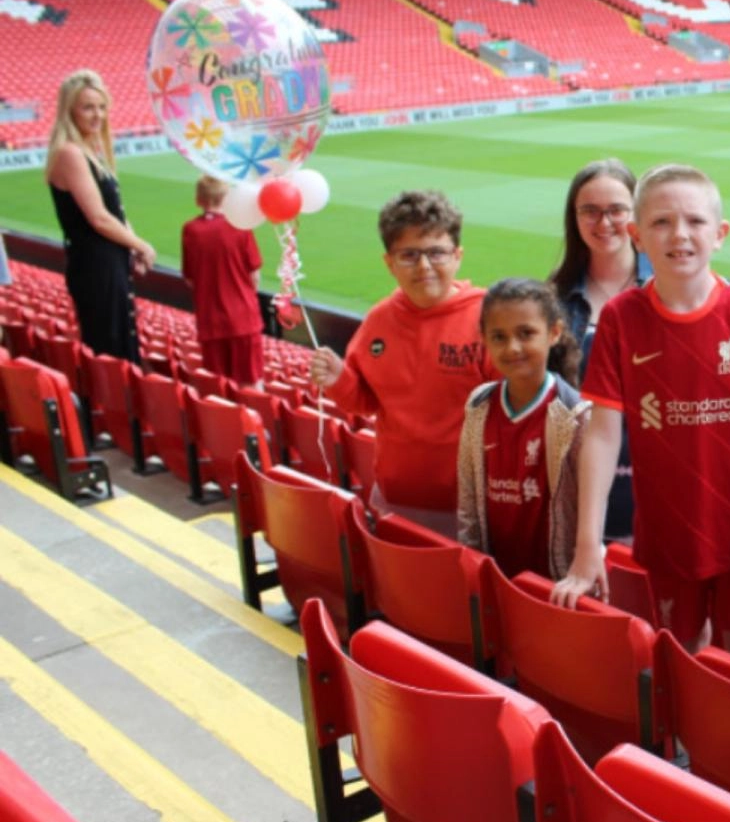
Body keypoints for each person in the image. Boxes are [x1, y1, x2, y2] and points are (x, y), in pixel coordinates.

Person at [550, 164, 730, 668]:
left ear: (720, 234)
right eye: (660, 222)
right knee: (683, 653)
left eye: (695, 222)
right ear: (636, 235)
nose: (679, 235)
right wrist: (587, 545)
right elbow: (602, 434)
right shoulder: (621, 318)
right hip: (667, 532)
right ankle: (692, 749)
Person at [309, 190, 499, 537]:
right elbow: (364, 401)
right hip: (396, 497)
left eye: (436, 253)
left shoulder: (490, 318)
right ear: (389, 262)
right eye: (409, 255)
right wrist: (338, 379)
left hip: (473, 504)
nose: (424, 266)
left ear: (457, 256)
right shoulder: (379, 320)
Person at [456, 278, 587, 579]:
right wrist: (473, 563)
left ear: (554, 333)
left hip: (556, 583)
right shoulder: (478, 405)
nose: (513, 348)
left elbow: (587, 511)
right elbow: (467, 499)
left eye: (526, 333)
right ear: (484, 339)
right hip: (494, 575)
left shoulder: (575, 414)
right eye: (499, 337)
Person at [547, 158, 650, 540]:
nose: (603, 223)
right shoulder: (553, 299)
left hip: (656, 485)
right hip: (578, 486)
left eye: (616, 211)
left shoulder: (670, 290)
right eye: (589, 211)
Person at [44, 69, 155, 363]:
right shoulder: (70, 154)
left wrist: (130, 244)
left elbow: (115, 213)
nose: (98, 115)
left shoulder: (90, 150)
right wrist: (142, 245)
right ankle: (114, 408)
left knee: (121, 342)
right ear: (71, 111)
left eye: (102, 106)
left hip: (107, 263)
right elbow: (99, 218)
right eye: (88, 107)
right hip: (95, 266)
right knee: (111, 349)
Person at [181, 176, 264, 387]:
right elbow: (254, 275)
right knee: (251, 383)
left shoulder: (190, 230)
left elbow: (190, 278)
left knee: (219, 387)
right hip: (243, 319)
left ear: (199, 200)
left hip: (210, 322)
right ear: (226, 199)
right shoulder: (240, 226)